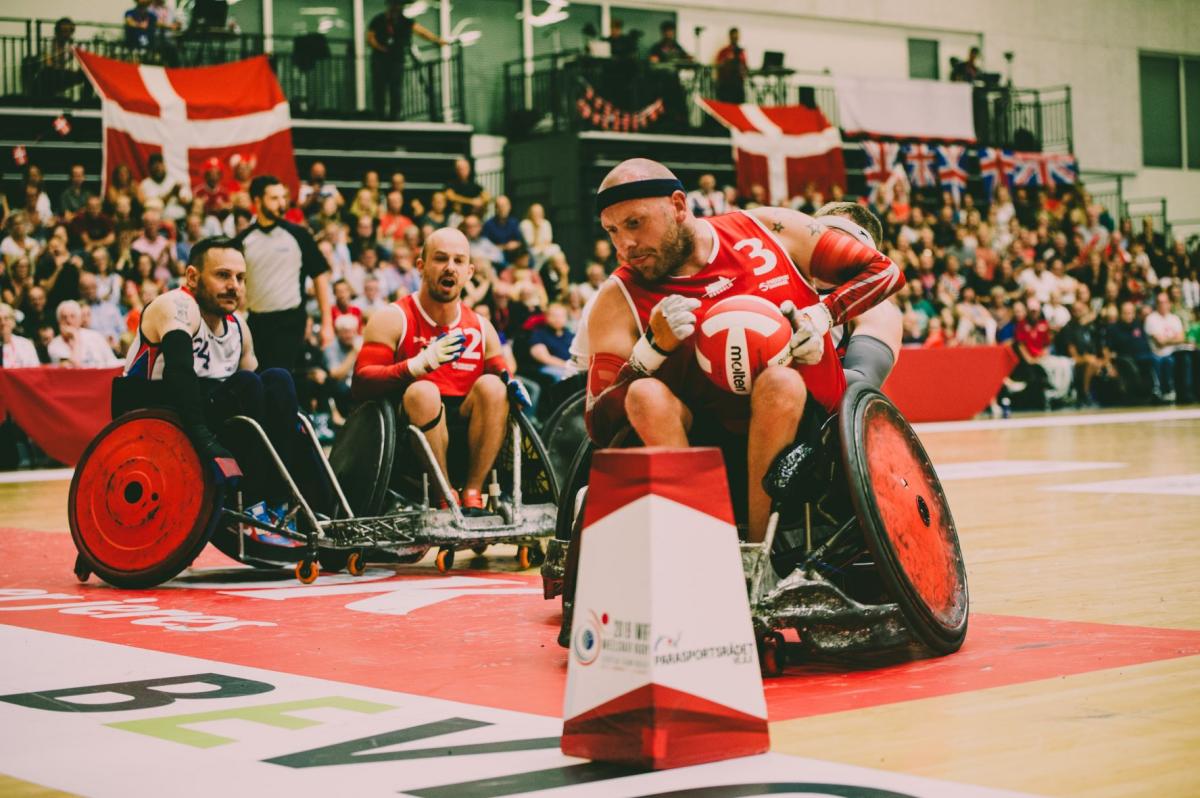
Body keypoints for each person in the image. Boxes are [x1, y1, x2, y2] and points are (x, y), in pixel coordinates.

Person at [585, 159, 903, 544]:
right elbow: (598, 425)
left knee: (780, 382)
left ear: (679, 205)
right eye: (611, 231)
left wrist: (822, 315)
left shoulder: (767, 228)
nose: (624, 245)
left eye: (634, 223)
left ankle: (756, 550)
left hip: (809, 435)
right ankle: (706, 540)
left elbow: (885, 271)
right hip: (704, 437)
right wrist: (650, 352)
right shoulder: (617, 297)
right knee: (644, 393)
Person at [116, 237, 331, 513]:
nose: (234, 286)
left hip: (213, 411)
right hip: (159, 412)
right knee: (247, 384)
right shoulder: (176, 306)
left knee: (278, 379)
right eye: (223, 275)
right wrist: (206, 440)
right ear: (192, 277)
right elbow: (179, 373)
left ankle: (290, 502)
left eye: (241, 278)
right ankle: (252, 503)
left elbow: (267, 397)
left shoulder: (239, 326)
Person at [352, 227, 528, 511]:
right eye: (440, 259)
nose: (450, 268)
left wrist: (511, 384)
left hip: (470, 435)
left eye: (458, 261)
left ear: (470, 272)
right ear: (421, 266)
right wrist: (415, 366)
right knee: (424, 391)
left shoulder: (482, 326)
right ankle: (443, 494)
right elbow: (360, 382)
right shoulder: (393, 317)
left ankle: (473, 493)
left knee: (495, 387)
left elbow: (502, 375)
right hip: (408, 439)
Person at [236, 175, 333, 371]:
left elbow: (320, 276)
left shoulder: (299, 235)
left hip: (290, 321)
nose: (282, 204)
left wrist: (327, 323)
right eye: (274, 198)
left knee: (281, 378)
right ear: (257, 201)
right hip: (255, 322)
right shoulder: (244, 240)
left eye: (283, 198)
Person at [367, 0, 447, 120]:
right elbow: (370, 37)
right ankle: (380, 115)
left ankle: (394, 116)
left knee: (395, 88)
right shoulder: (378, 20)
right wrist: (380, 47)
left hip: (396, 60)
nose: (398, 7)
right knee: (379, 88)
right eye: (395, 5)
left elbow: (422, 32)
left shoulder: (405, 21)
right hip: (380, 60)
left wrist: (437, 40)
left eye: (399, 5)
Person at [47, 300, 120, 368]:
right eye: (64, 317)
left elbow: (112, 361)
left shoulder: (95, 336)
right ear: (59, 321)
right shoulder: (54, 345)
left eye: (72, 316)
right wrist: (76, 338)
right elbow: (74, 367)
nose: (68, 321)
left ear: (79, 319)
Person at [529, 302, 575, 382]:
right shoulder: (539, 334)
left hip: (570, 367)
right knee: (565, 377)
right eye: (554, 316)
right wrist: (567, 365)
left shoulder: (570, 335)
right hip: (548, 368)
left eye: (561, 316)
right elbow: (544, 358)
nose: (557, 319)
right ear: (546, 317)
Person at [138, 153, 190, 223]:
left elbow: (187, 203)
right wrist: (171, 193)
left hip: (179, 221)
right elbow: (153, 205)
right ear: (149, 168)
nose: (158, 167)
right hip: (157, 224)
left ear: (164, 166)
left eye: (160, 164)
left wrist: (178, 196)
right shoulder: (145, 184)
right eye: (154, 165)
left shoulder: (175, 181)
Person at [0, 303, 40, 368]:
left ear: (13, 322)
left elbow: (35, 370)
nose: (3, 323)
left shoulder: (25, 344)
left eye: (6, 318)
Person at [714, 28, 747, 104]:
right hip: (726, 85)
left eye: (737, 37)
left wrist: (743, 71)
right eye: (734, 36)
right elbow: (718, 65)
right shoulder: (724, 51)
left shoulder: (741, 53)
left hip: (738, 85)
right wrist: (727, 59)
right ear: (730, 37)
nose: (735, 39)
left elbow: (745, 67)